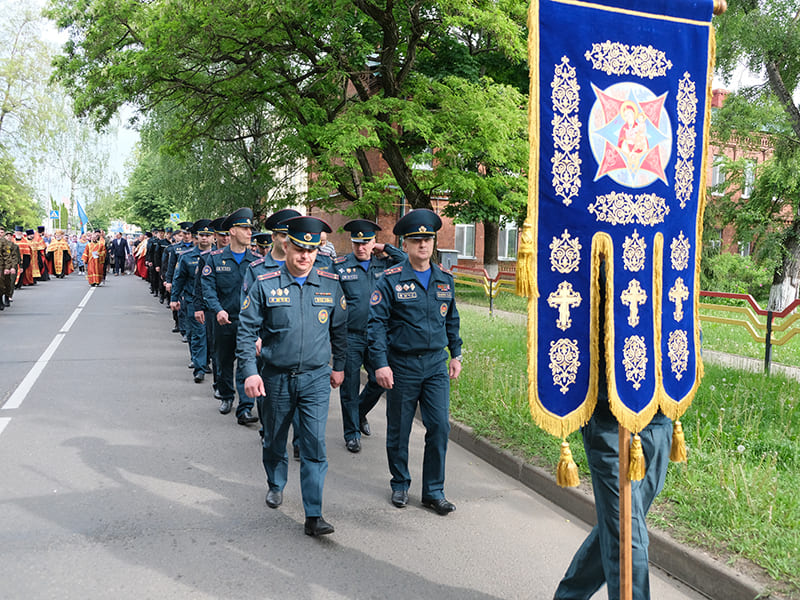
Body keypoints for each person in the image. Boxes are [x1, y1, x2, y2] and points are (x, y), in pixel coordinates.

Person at [553, 263, 672, 600]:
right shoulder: (597, 253)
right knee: (627, 535)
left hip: (660, 418)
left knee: (618, 527)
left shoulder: (666, 251)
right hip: (611, 418)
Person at [238, 215, 347, 537]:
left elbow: (340, 330)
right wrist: (249, 374)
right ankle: (275, 482)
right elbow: (245, 332)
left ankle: (313, 514)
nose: (304, 257)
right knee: (274, 438)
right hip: (275, 377)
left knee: (314, 443)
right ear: (286, 246)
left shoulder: (330, 284)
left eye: (311, 251)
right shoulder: (265, 283)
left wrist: (339, 366)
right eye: (299, 249)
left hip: (315, 378)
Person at [367, 208, 462, 515]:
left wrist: (456, 353)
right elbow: (377, 324)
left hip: (435, 364)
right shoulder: (390, 280)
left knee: (439, 427)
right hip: (402, 365)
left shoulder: (445, 279)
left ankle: (433, 491)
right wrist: (380, 364)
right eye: (416, 240)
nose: (423, 245)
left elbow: (452, 320)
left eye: (428, 239)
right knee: (399, 428)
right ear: (404, 245)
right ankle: (400, 483)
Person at [334, 219, 405, 452]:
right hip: (350, 336)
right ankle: (351, 433)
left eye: (366, 243)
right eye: (356, 243)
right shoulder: (340, 266)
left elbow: (408, 262)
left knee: (379, 381)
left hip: (377, 337)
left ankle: (359, 412)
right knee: (350, 385)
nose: (361, 247)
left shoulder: (385, 265)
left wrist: (387, 248)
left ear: (373, 243)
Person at [200, 208, 260, 424]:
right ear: (232, 231)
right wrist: (217, 310)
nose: (249, 232)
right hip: (224, 321)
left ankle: (245, 408)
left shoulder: (256, 261)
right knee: (223, 361)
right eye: (245, 228)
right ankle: (226, 396)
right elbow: (208, 288)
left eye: (250, 228)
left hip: (248, 323)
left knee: (246, 362)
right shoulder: (215, 259)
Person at [172, 220, 213, 383]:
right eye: (202, 235)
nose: (205, 238)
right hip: (192, 301)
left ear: (212, 238)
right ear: (197, 237)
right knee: (198, 334)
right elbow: (179, 279)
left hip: (213, 304)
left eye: (208, 235)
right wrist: (174, 298)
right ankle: (200, 367)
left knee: (211, 337)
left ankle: (207, 361)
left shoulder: (219, 257)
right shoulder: (186, 256)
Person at [0, 224, 20, 310]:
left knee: (6, 283)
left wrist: (8, 267)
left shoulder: (7, 244)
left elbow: (8, 256)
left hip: (2, 266)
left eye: (1, 232)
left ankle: (6, 297)